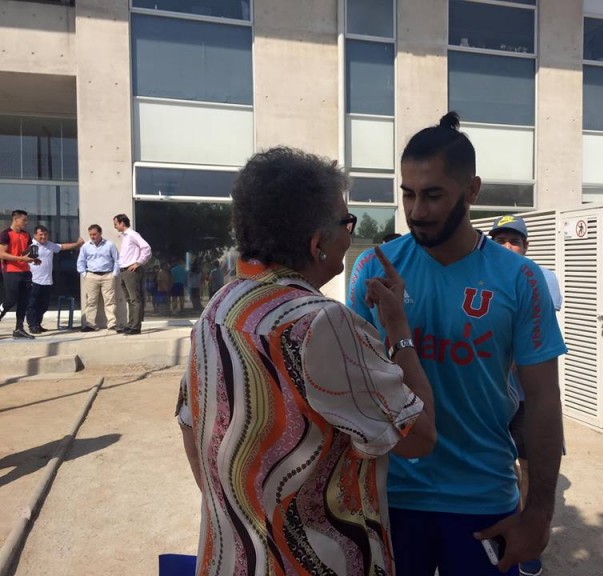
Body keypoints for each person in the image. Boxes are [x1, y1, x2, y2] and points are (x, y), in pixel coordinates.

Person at [176, 146, 436, 575]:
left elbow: (190, 424)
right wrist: (399, 331)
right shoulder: (323, 324)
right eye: (347, 222)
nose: (350, 232)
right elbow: (420, 435)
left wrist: (239, 516)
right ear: (318, 244)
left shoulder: (218, 309)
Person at [348, 112, 568, 576]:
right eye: (408, 194)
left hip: (484, 501)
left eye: (432, 195)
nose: (416, 211)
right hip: (392, 499)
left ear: (472, 191)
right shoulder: (373, 269)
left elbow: (544, 401)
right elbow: (352, 391)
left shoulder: (520, 279)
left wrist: (540, 513)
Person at [488, 214, 563, 576]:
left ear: (526, 245)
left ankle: (530, 542)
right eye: (500, 240)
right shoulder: (480, 275)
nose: (507, 247)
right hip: (491, 393)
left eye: (514, 240)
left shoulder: (541, 278)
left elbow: (537, 334)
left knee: (530, 464)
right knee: (501, 467)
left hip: (527, 394)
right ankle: (507, 530)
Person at [26, 226, 84, 334]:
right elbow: (21, 258)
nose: (43, 237)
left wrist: (77, 244)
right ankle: (32, 325)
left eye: (45, 234)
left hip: (47, 281)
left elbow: (63, 247)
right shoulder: (30, 246)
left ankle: (38, 324)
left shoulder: (50, 245)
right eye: (41, 235)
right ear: (35, 235)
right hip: (33, 280)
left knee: (44, 305)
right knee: (32, 304)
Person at [0, 210, 42, 339]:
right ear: (16, 219)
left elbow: (26, 252)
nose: (26, 222)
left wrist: (34, 258)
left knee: (24, 301)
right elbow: (2, 254)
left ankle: (19, 329)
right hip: (11, 271)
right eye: (24, 220)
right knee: (10, 300)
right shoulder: (5, 234)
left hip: (25, 271)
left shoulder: (26, 235)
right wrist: (21, 259)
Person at [77, 224, 121, 332]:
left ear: (100, 233)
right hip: (91, 275)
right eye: (90, 234)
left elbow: (117, 260)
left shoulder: (109, 245)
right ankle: (90, 324)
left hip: (107, 275)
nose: (92, 236)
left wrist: (114, 274)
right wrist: (84, 274)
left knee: (110, 301)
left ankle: (112, 324)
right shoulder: (86, 246)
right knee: (91, 301)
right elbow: (81, 261)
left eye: (95, 234)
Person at [113, 214, 152, 335]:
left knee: (135, 299)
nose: (115, 226)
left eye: (116, 224)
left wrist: (138, 263)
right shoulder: (125, 237)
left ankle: (136, 327)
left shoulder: (132, 235)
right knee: (129, 299)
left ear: (122, 223)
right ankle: (131, 324)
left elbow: (146, 248)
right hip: (124, 270)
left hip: (131, 271)